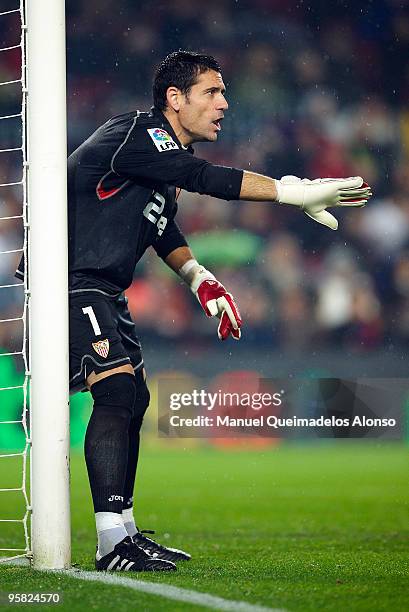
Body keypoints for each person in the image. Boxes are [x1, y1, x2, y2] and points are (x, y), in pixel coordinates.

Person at [17, 50, 371, 572]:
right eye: (212, 92)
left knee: (132, 397)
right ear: (174, 100)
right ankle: (112, 543)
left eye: (223, 93)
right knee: (115, 391)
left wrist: (199, 278)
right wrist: (290, 191)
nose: (224, 104)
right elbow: (208, 179)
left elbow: (163, 228)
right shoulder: (140, 133)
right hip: (66, 284)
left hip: (101, 289)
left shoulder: (159, 167)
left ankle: (124, 533)